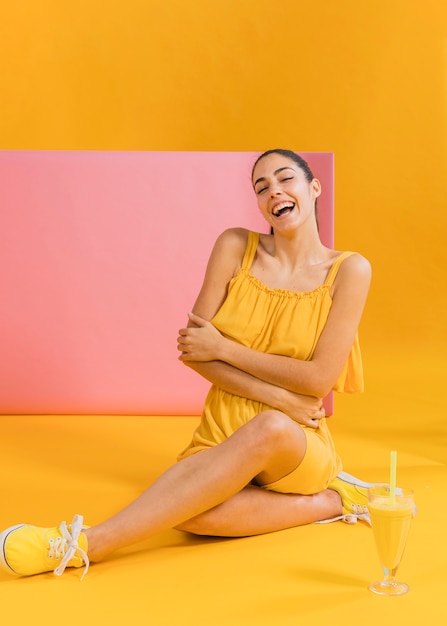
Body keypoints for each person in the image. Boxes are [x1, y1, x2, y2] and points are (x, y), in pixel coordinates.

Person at [0, 149, 375, 581]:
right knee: (188, 516)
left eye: (285, 179)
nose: (275, 191)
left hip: (296, 444)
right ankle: (334, 502)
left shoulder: (349, 270)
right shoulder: (236, 246)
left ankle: (83, 545)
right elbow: (195, 350)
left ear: (313, 188)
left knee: (269, 428)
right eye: (261, 186)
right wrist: (274, 394)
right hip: (219, 434)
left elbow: (318, 380)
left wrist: (226, 348)